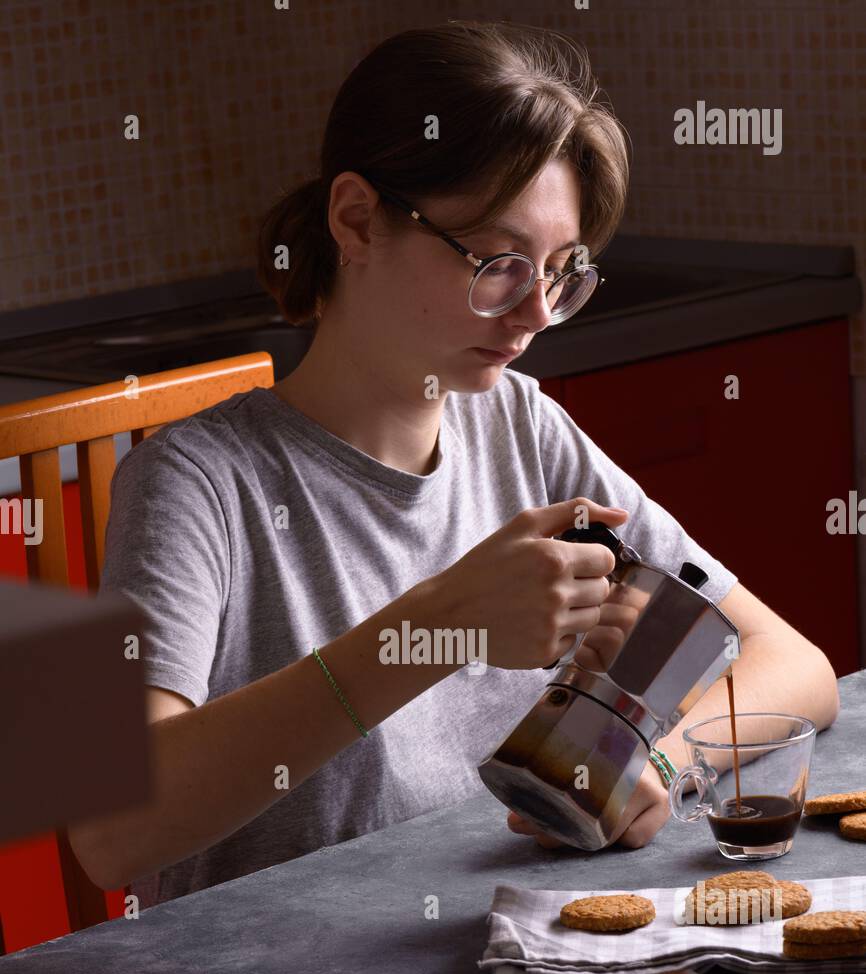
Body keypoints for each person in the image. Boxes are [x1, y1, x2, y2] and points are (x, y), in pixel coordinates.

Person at [69, 19, 839, 907]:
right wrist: (437, 628)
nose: (538, 315)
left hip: (496, 955)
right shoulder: (198, 481)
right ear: (357, 221)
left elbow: (792, 660)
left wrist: (648, 761)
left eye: (561, 274)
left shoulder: (518, 424)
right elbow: (112, 834)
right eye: (501, 264)